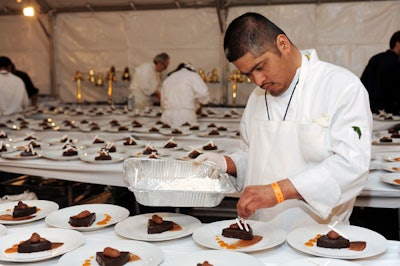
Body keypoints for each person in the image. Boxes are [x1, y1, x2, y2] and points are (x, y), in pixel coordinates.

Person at [196, 12, 372, 231]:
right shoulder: (257, 98)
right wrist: (225, 163)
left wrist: (278, 191)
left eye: (260, 67)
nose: (257, 81)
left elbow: (351, 166)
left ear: (283, 44)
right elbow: (256, 158)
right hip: (261, 233)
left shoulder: (341, 87)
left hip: (320, 236)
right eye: (248, 75)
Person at [360, 31, 400, 114]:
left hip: (371, 110)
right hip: (390, 113)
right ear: (397, 44)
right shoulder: (395, 63)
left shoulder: (375, 58)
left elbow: (363, 83)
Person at [160, 63, 210, 127]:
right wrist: (200, 107)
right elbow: (203, 94)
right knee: (186, 135)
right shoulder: (193, 76)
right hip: (186, 115)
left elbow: (162, 100)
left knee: (168, 136)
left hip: (167, 115)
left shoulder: (169, 78)